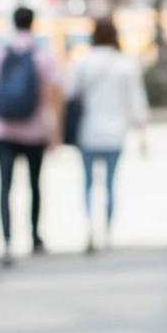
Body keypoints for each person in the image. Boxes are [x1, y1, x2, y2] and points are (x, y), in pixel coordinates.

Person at [0, 6, 62, 267]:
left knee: (5, 186)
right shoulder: (41, 55)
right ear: (33, 23)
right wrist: (54, 130)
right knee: (34, 185)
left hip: (3, 129)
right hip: (34, 130)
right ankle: (35, 238)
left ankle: (7, 241)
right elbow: (52, 92)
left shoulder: (0, 52)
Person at [66, 16, 149, 253]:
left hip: (88, 131)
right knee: (111, 184)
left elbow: (70, 93)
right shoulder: (125, 64)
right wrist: (142, 133)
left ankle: (90, 228)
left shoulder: (83, 62)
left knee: (88, 183)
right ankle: (108, 231)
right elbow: (136, 102)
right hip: (116, 132)